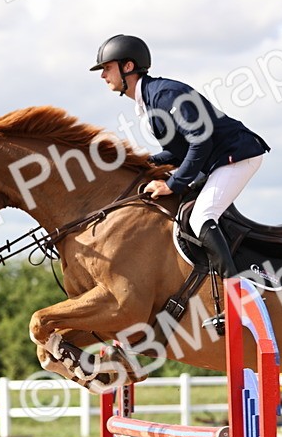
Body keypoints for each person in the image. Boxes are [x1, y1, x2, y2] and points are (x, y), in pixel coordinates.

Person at [91, 34, 269, 277]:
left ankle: (238, 293)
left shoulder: (165, 95)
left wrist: (172, 184)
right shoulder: (150, 100)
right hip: (218, 160)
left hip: (236, 157)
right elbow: (182, 150)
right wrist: (146, 163)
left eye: (107, 68)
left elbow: (200, 142)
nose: (103, 75)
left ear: (128, 66)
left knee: (201, 217)